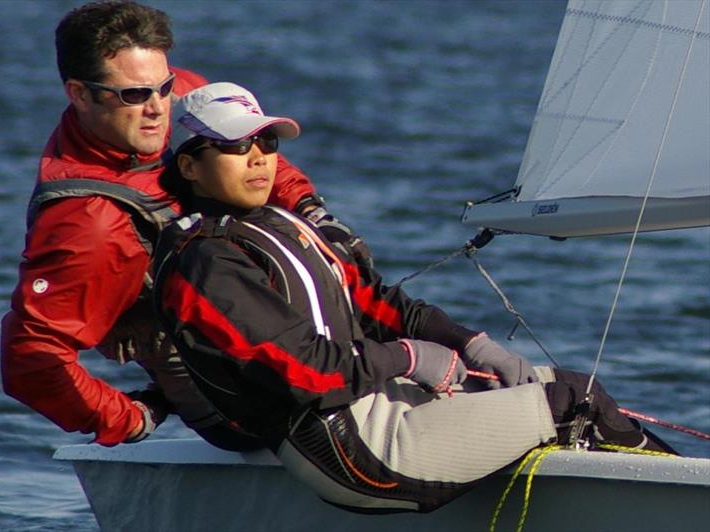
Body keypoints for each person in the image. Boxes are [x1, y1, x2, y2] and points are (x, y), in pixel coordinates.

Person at [152, 81, 677, 513]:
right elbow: (305, 373)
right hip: (352, 449)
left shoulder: (278, 225)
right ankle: (679, 504)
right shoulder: (206, 263)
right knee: (573, 403)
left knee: (566, 385)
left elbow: (380, 306)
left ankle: (668, 493)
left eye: (267, 144)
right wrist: (411, 357)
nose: (258, 159)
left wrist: (471, 345)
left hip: (379, 406)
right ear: (191, 166)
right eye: (236, 146)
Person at [0, 0, 369, 449]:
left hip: (283, 325)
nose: (159, 108)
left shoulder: (181, 98)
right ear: (79, 93)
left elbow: (255, 156)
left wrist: (314, 213)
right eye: (134, 96)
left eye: (163, 86)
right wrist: (130, 418)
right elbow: (31, 359)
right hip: (239, 408)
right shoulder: (89, 224)